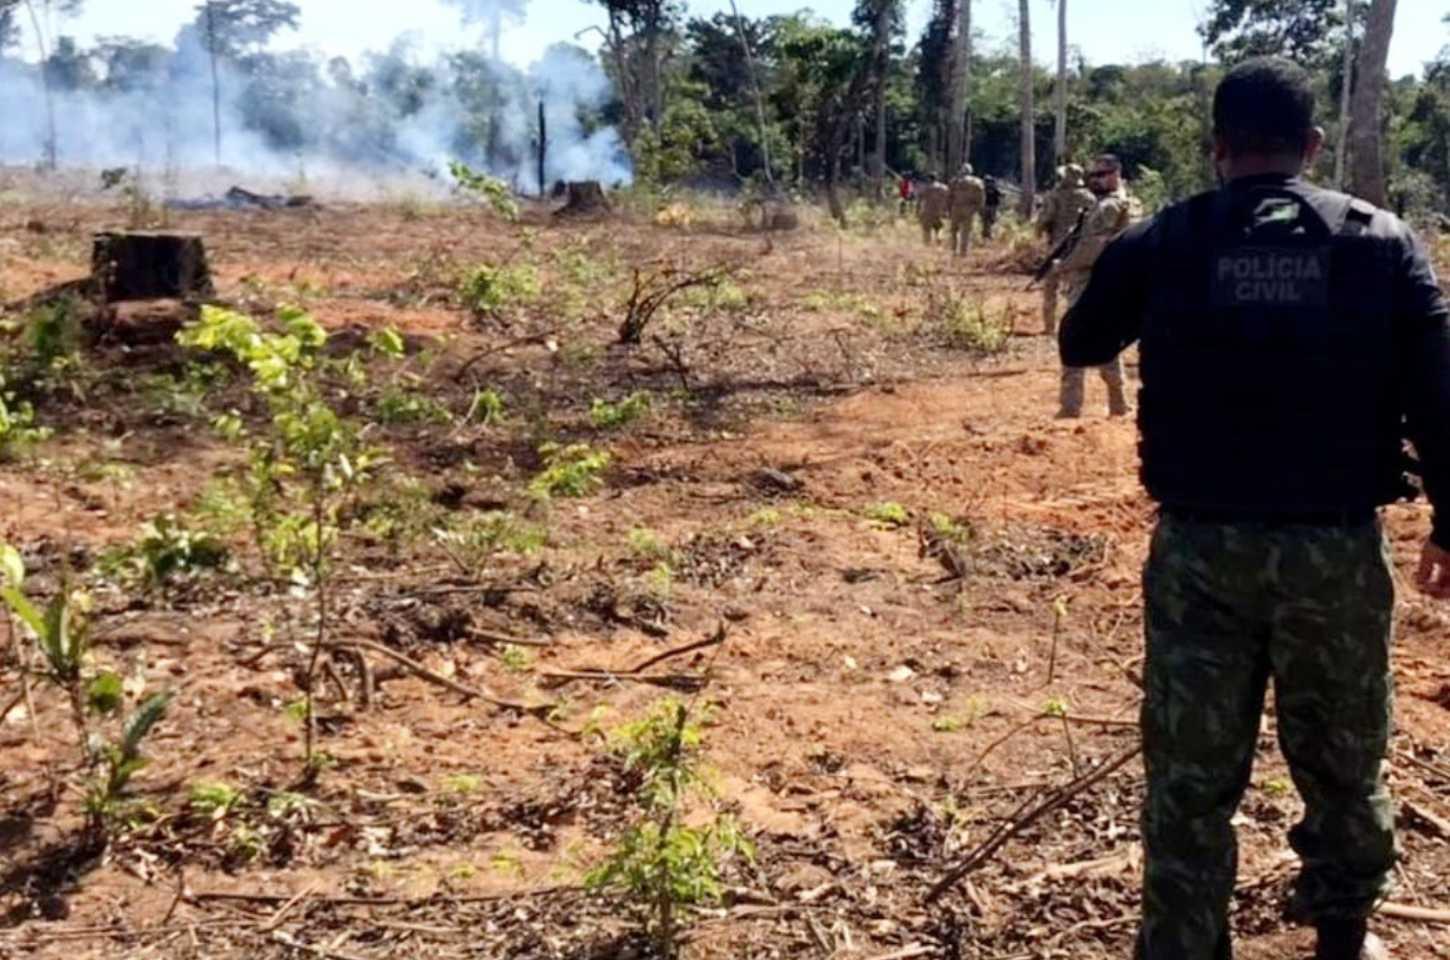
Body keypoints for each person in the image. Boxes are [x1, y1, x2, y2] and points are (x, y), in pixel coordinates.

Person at [1059, 56, 1450, 960]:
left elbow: (1082, 340)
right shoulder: (1380, 241)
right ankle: (1342, 939)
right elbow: (1437, 398)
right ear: (1311, 146)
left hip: (1202, 553)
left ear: (1216, 148)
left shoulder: (1168, 239)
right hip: (1336, 554)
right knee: (1346, 765)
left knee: (1191, 781)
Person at [1053, 154, 1133, 417]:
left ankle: (1070, 408)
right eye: (1092, 175)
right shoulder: (1125, 202)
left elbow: (1091, 247)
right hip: (1112, 281)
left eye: (1100, 175)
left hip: (1091, 280)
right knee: (1105, 340)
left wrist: (1064, 266)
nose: (1094, 180)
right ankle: (1118, 402)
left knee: (1074, 337)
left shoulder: (1109, 206)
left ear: (1115, 174)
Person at [1036, 163, 1096, 335]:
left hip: (1058, 245)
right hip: (1079, 246)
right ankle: (1081, 325)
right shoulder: (1089, 197)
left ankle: (1049, 327)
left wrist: (1038, 230)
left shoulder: (1055, 195)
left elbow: (1046, 217)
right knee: (1078, 286)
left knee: (1050, 286)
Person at [948, 164, 987, 256]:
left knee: (954, 230)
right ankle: (963, 252)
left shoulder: (954, 181)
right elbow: (981, 197)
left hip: (956, 207)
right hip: (969, 208)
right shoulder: (977, 182)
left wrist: (948, 208)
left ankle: (953, 250)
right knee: (966, 232)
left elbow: (949, 196)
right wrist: (978, 208)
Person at [917, 175, 950, 246]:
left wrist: (918, 210)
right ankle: (939, 237)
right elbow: (948, 199)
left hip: (927, 211)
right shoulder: (943, 188)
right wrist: (946, 210)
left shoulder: (925, 188)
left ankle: (927, 244)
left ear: (929, 179)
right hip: (938, 211)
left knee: (926, 229)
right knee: (939, 227)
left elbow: (919, 200)